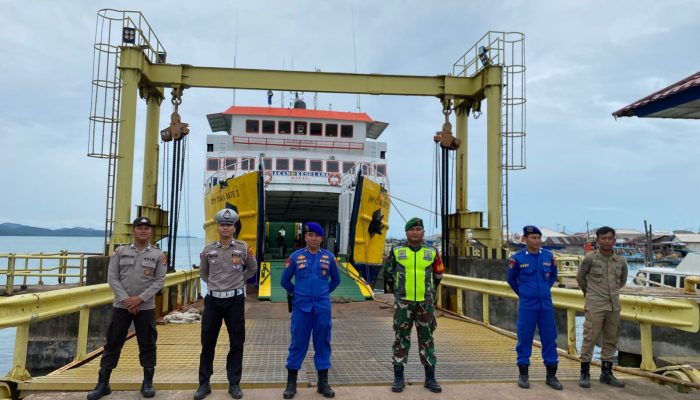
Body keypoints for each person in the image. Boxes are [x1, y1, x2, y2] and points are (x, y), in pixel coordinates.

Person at [87, 217, 166, 400]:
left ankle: (147, 383)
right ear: (133, 230)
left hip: (145, 308)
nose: (143, 231)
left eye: (147, 228)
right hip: (121, 306)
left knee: (147, 344)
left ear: (150, 232)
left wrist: (139, 299)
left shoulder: (157, 255)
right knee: (113, 343)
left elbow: (159, 281)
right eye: (140, 227)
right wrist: (126, 300)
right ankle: (103, 384)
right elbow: (112, 277)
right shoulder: (120, 252)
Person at [194, 209, 258, 400]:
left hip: (235, 301)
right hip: (213, 301)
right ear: (218, 227)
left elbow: (252, 268)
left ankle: (234, 383)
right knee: (207, 343)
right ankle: (204, 384)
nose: (225, 228)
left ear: (234, 227)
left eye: (229, 225)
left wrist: (239, 280)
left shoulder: (243, 248)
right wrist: (216, 286)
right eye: (222, 224)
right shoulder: (208, 250)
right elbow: (203, 274)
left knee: (237, 342)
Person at [383, 217, 444, 394]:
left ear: (423, 232)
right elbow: (387, 273)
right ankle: (398, 377)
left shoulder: (432, 251)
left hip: (425, 303)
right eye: (412, 229)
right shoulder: (397, 250)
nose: (415, 232)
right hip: (404, 303)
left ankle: (430, 378)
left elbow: (438, 274)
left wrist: (429, 293)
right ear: (406, 232)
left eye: (419, 229)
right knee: (401, 338)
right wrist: (399, 292)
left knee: (427, 339)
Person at [280, 222, 340, 399]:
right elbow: (285, 281)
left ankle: (323, 383)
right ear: (305, 237)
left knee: (323, 342)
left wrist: (323, 293)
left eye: (317, 236)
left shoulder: (329, 258)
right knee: (298, 342)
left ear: (322, 238)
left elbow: (335, 281)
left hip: (322, 308)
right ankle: (291, 384)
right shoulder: (295, 257)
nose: (313, 239)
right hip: (301, 308)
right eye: (310, 235)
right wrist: (297, 293)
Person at [506, 225, 562, 390]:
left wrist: (543, 291)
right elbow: (511, 280)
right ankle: (523, 375)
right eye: (533, 238)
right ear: (524, 239)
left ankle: (551, 376)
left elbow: (552, 276)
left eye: (539, 238)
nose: (537, 241)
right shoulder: (517, 259)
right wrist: (524, 293)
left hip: (545, 305)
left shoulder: (548, 256)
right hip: (528, 305)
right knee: (525, 338)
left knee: (549, 338)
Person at [576, 226, 628, 388]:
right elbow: (580, 278)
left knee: (611, 338)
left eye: (610, 238)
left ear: (614, 240)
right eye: (603, 238)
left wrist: (612, 292)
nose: (607, 241)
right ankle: (584, 373)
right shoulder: (590, 258)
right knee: (590, 336)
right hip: (595, 304)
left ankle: (606, 373)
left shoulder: (621, 260)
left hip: (614, 305)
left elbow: (622, 280)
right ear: (597, 240)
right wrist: (591, 294)